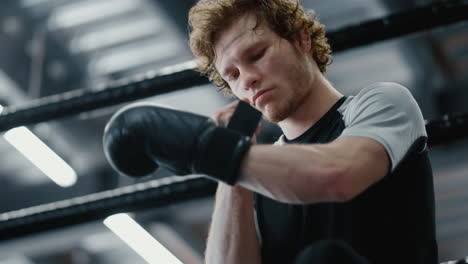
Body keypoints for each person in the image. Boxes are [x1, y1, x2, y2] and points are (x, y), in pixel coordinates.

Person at [103, 0, 438, 263]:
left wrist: (209, 150)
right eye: (232, 74)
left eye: (257, 54)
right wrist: (230, 175)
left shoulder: (381, 103)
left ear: (301, 39)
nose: (246, 79)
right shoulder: (256, 171)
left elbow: (338, 175)